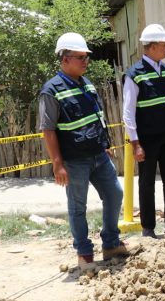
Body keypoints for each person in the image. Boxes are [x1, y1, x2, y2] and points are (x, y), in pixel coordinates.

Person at [40, 33, 129, 271]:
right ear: (64, 59)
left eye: (85, 57)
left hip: (98, 155)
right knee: (77, 207)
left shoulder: (87, 83)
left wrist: (105, 144)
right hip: (74, 160)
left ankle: (110, 243)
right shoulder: (51, 91)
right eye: (80, 57)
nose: (85, 61)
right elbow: (48, 131)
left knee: (115, 194)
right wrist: (57, 164)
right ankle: (84, 253)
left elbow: (97, 118)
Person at [123, 23, 165, 238]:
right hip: (147, 138)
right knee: (147, 182)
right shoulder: (135, 74)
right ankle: (148, 228)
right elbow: (128, 112)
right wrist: (135, 143)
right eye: (164, 45)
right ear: (150, 47)